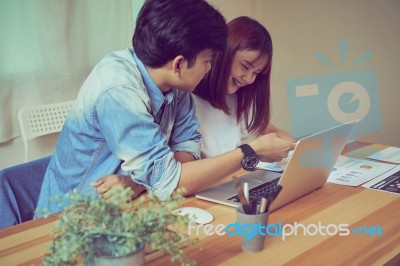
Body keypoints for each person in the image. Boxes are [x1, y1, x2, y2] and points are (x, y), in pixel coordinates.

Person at [36, 1, 294, 216]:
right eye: (208, 61)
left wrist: (153, 181)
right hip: (69, 219)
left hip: (129, 208)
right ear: (180, 64)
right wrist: (251, 150)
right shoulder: (119, 89)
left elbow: (185, 152)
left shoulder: (177, 86)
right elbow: (171, 182)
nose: (210, 69)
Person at [193, 16, 294, 159]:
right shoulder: (187, 100)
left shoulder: (237, 97)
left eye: (256, 73)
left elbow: (272, 131)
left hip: (235, 179)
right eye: (245, 66)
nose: (248, 79)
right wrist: (253, 151)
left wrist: (293, 147)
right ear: (224, 54)